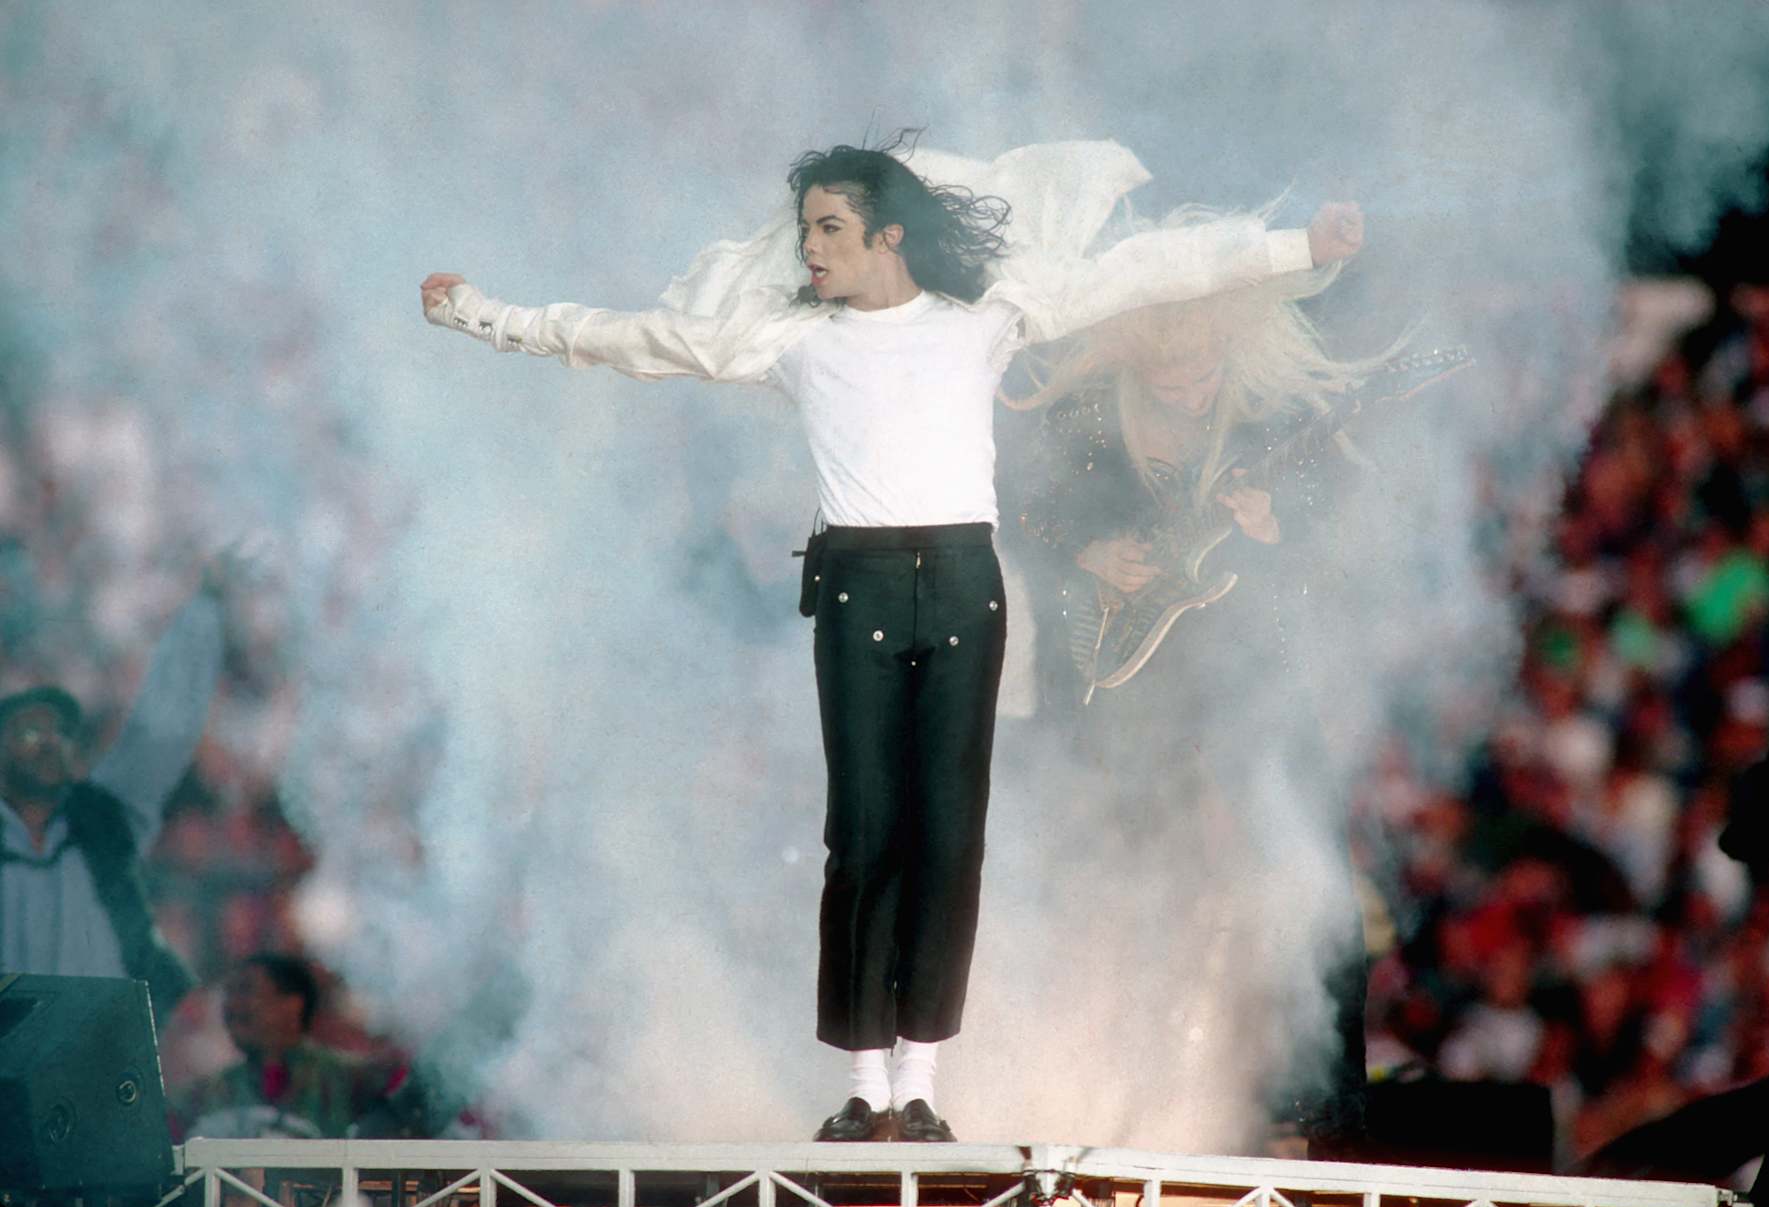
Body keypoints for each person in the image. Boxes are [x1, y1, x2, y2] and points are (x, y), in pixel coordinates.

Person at [420, 134, 1362, 1141]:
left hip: (964, 588)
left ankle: (922, 1090)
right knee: (864, 832)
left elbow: (1141, 271)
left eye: (829, 229)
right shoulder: (792, 340)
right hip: (858, 588)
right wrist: (482, 312)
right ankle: (864, 1090)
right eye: (805, 232)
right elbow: (627, 339)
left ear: (889, 236)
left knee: (948, 836)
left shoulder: (985, 320)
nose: (811, 251)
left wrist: (1298, 249)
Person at [1012, 256, 1387, 1155]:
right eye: (1168, 372)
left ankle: (1322, 1102)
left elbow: (1336, 538)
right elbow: (1026, 513)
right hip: (1134, 692)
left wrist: (1272, 526)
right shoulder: (1090, 422)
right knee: (1126, 881)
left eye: (1203, 367)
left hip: (1257, 673)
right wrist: (1091, 555)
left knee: (1311, 880)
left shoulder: (1274, 418)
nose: (1188, 386)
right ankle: (1106, 1088)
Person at [0, 552, 236, 1023]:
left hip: (109, 1050)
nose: (49, 745)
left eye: (60, 734)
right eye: (29, 733)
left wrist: (205, 611)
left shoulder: (107, 816)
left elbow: (163, 729)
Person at [175, 952, 398, 1140]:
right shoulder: (206, 1093)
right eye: (229, 993)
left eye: (245, 990)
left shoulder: (355, 1080)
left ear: (293, 1005)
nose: (231, 1006)